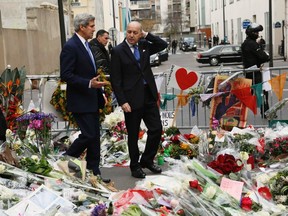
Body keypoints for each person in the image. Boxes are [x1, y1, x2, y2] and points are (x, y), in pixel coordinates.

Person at [110, 21, 168, 179]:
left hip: (148, 96)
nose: (131, 35)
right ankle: (135, 166)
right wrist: (122, 101)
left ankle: (147, 160)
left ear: (140, 33)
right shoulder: (118, 51)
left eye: (135, 32)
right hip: (131, 99)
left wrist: (146, 35)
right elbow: (116, 80)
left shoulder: (144, 45)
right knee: (134, 135)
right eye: (129, 32)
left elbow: (162, 44)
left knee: (156, 129)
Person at [60, 13, 110, 183]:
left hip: (92, 99)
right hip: (80, 100)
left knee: (95, 137)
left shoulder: (87, 45)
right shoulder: (71, 46)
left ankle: (94, 172)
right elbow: (66, 74)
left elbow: (92, 73)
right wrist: (88, 84)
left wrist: (100, 92)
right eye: (91, 26)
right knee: (88, 135)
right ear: (81, 27)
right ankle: (66, 158)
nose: (93, 29)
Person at [241, 23, 270, 118]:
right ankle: (266, 112)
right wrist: (265, 54)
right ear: (252, 33)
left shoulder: (245, 43)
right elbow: (263, 56)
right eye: (256, 32)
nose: (258, 34)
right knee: (261, 92)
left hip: (249, 72)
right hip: (255, 72)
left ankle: (240, 113)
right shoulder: (252, 44)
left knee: (249, 94)